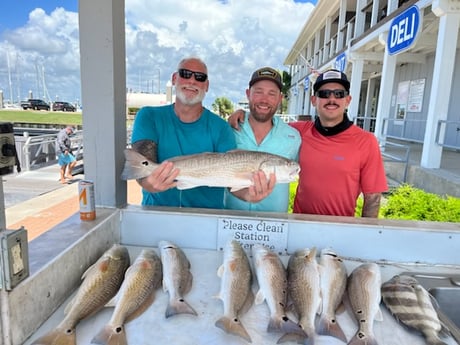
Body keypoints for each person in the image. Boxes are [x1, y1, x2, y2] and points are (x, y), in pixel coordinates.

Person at [230, 69, 388, 217]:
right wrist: (241, 114)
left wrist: (366, 234)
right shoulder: (298, 132)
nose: (331, 99)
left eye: (339, 94)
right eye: (324, 94)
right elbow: (266, 123)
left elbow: (373, 197)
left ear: (348, 100)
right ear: (314, 100)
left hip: (340, 225)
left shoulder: (366, 141)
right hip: (299, 224)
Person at [130, 56, 273, 208]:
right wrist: (149, 183)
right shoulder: (148, 116)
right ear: (174, 78)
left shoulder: (221, 127)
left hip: (207, 219)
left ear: (207, 85)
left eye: (200, 77)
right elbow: (142, 164)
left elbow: (231, 178)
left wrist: (249, 195)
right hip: (157, 214)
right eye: (185, 74)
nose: (192, 81)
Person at [224, 67, 301, 212]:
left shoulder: (293, 136)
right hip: (230, 221)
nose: (264, 100)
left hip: (274, 225)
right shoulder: (229, 129)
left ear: (280, 98)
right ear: (248, 94)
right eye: (258, 92)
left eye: (272, 94)